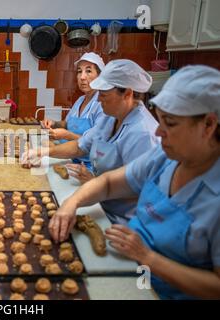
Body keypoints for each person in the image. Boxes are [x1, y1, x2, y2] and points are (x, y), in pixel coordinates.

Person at [49, 65, 220, 299]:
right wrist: (72, 203)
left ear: (208, 125)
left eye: (169, 123)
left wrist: (149, 258)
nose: (158, 133)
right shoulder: (164, 158)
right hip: (129, 265)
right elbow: (109, 183)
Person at [24, 59, 159, 224]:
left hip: (123, 221)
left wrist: (94, 183)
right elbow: (80, 146)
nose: (99, 100)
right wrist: (42, 152)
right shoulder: (110, 118)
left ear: (127, 94)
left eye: (104, 95)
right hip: (98, 201)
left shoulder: (143, 134)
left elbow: (141, 190)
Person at [41, 52, 106, 171]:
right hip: (68, 157)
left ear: (100, 76)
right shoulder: (81, 100)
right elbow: (68, 124)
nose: (82, 77)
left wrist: (66, 135)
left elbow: (97, 144)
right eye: (79, 71)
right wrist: (54, 123)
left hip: (88, 167)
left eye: (88, 71)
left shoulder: (102, 104)